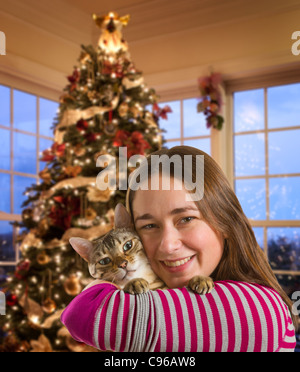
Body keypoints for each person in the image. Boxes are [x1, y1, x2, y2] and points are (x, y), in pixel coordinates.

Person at [61, 146, 297, 352]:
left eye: (186, 219)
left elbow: (84, 312)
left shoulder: (260, 310)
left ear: (225, 222)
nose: (168, 245)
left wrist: (99, 284)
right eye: (149, 225)